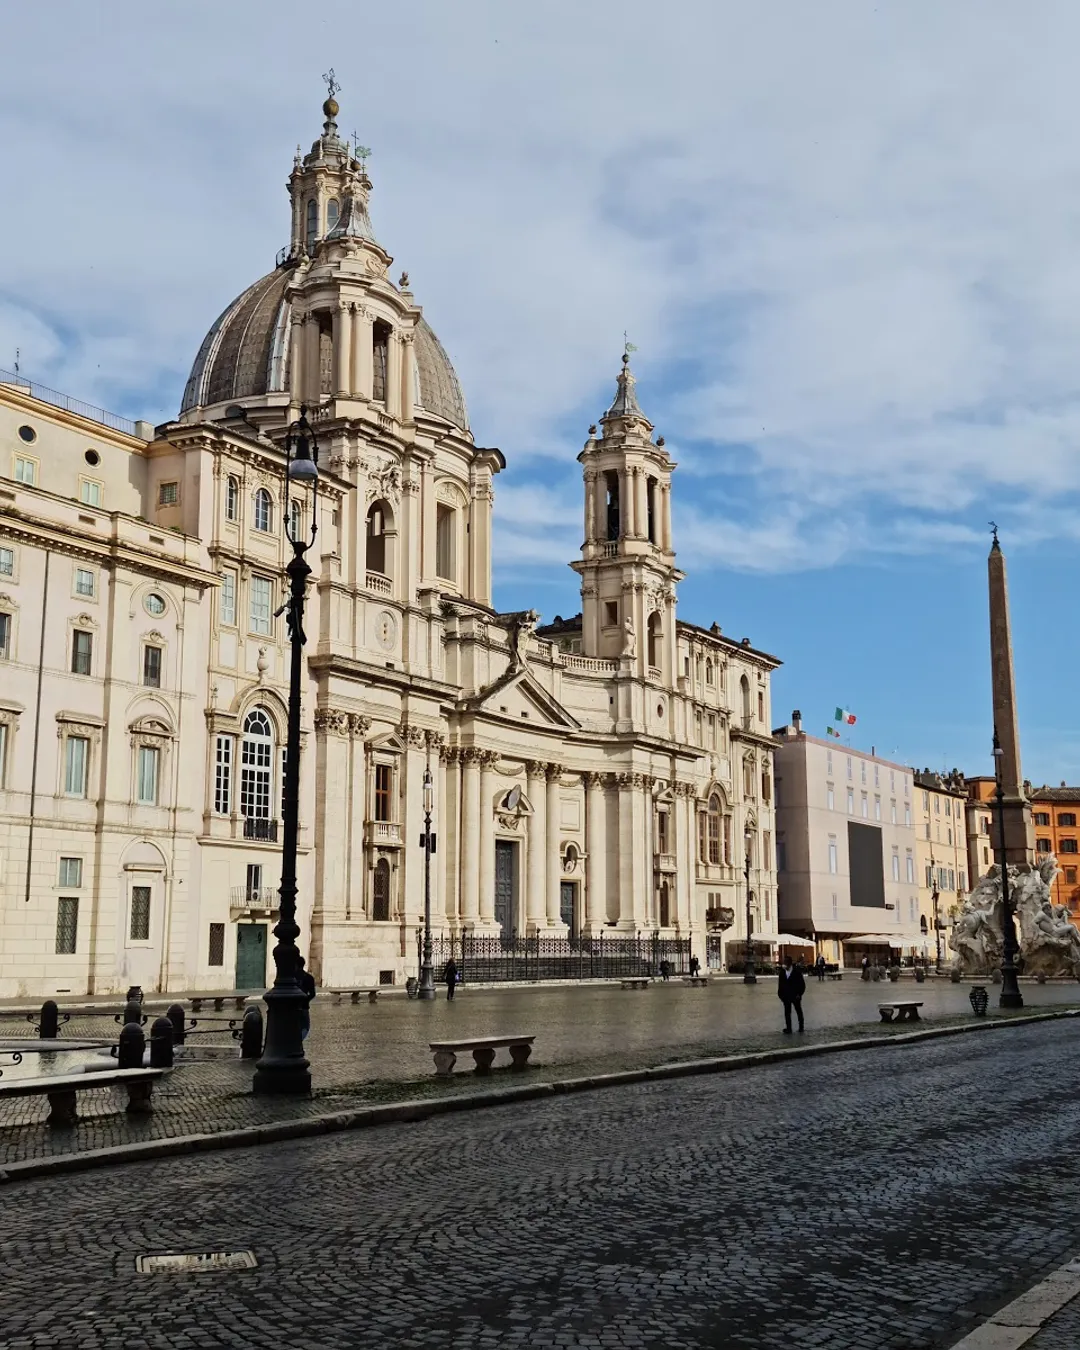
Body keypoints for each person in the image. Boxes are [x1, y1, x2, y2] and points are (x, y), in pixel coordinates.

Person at [777, 954, 805, 1034]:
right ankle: (789, 1028)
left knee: (798, 1011)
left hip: (795, 996)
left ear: (789, 963)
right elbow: (780, 984)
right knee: (787, 1013)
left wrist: (799, 994)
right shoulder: (782, 972)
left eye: (785, 962)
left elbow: (802, 984)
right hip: (786, 996)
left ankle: (801, 1027)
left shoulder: (797, 972)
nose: (784, 964)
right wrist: (780, 995)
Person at [297, 954, 316, 1041]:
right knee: (304, 1027)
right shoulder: (309, 978)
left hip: (293, 1007)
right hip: (304, 1006)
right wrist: (306, 1000)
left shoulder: (291, 977)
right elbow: (312, 994)